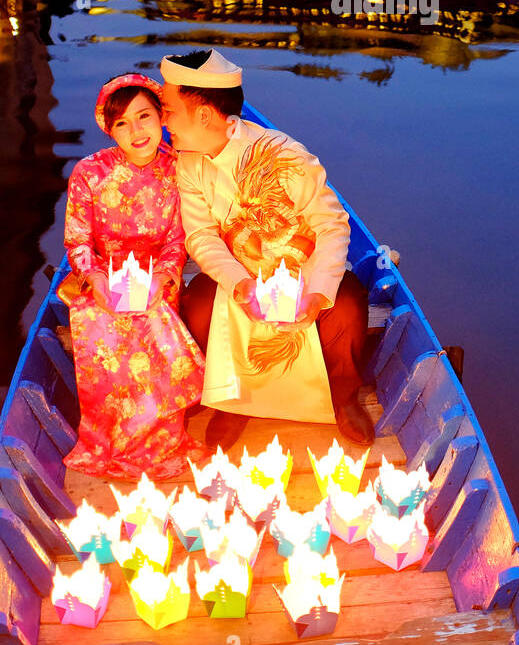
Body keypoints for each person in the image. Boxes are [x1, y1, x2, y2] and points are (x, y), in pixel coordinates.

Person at [160, 49, 375, 448]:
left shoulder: (284, 154)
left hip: (301, 269)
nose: (163, 119)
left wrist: (315, 293)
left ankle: (342, 397)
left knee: (346, 305)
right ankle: (231, 400)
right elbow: (201, 236)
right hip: (242, 270)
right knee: (198, 306)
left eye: (169, 109)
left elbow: (332, 226)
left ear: (203, 115)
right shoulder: (188, 164)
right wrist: (240, 283)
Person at [60, 74, 205, 479]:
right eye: (122, 122)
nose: (136, 130)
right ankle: (111, 436)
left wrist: (161, 279)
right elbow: (77, 240)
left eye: (143, 116)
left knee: (153, 317)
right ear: (110, 128)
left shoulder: (179, 171)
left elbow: (179, 239)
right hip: (102, 278)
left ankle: (159, 434)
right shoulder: (90, 172)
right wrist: (96, 279)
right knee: (101, 321)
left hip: (156, 278)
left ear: (160, 116)